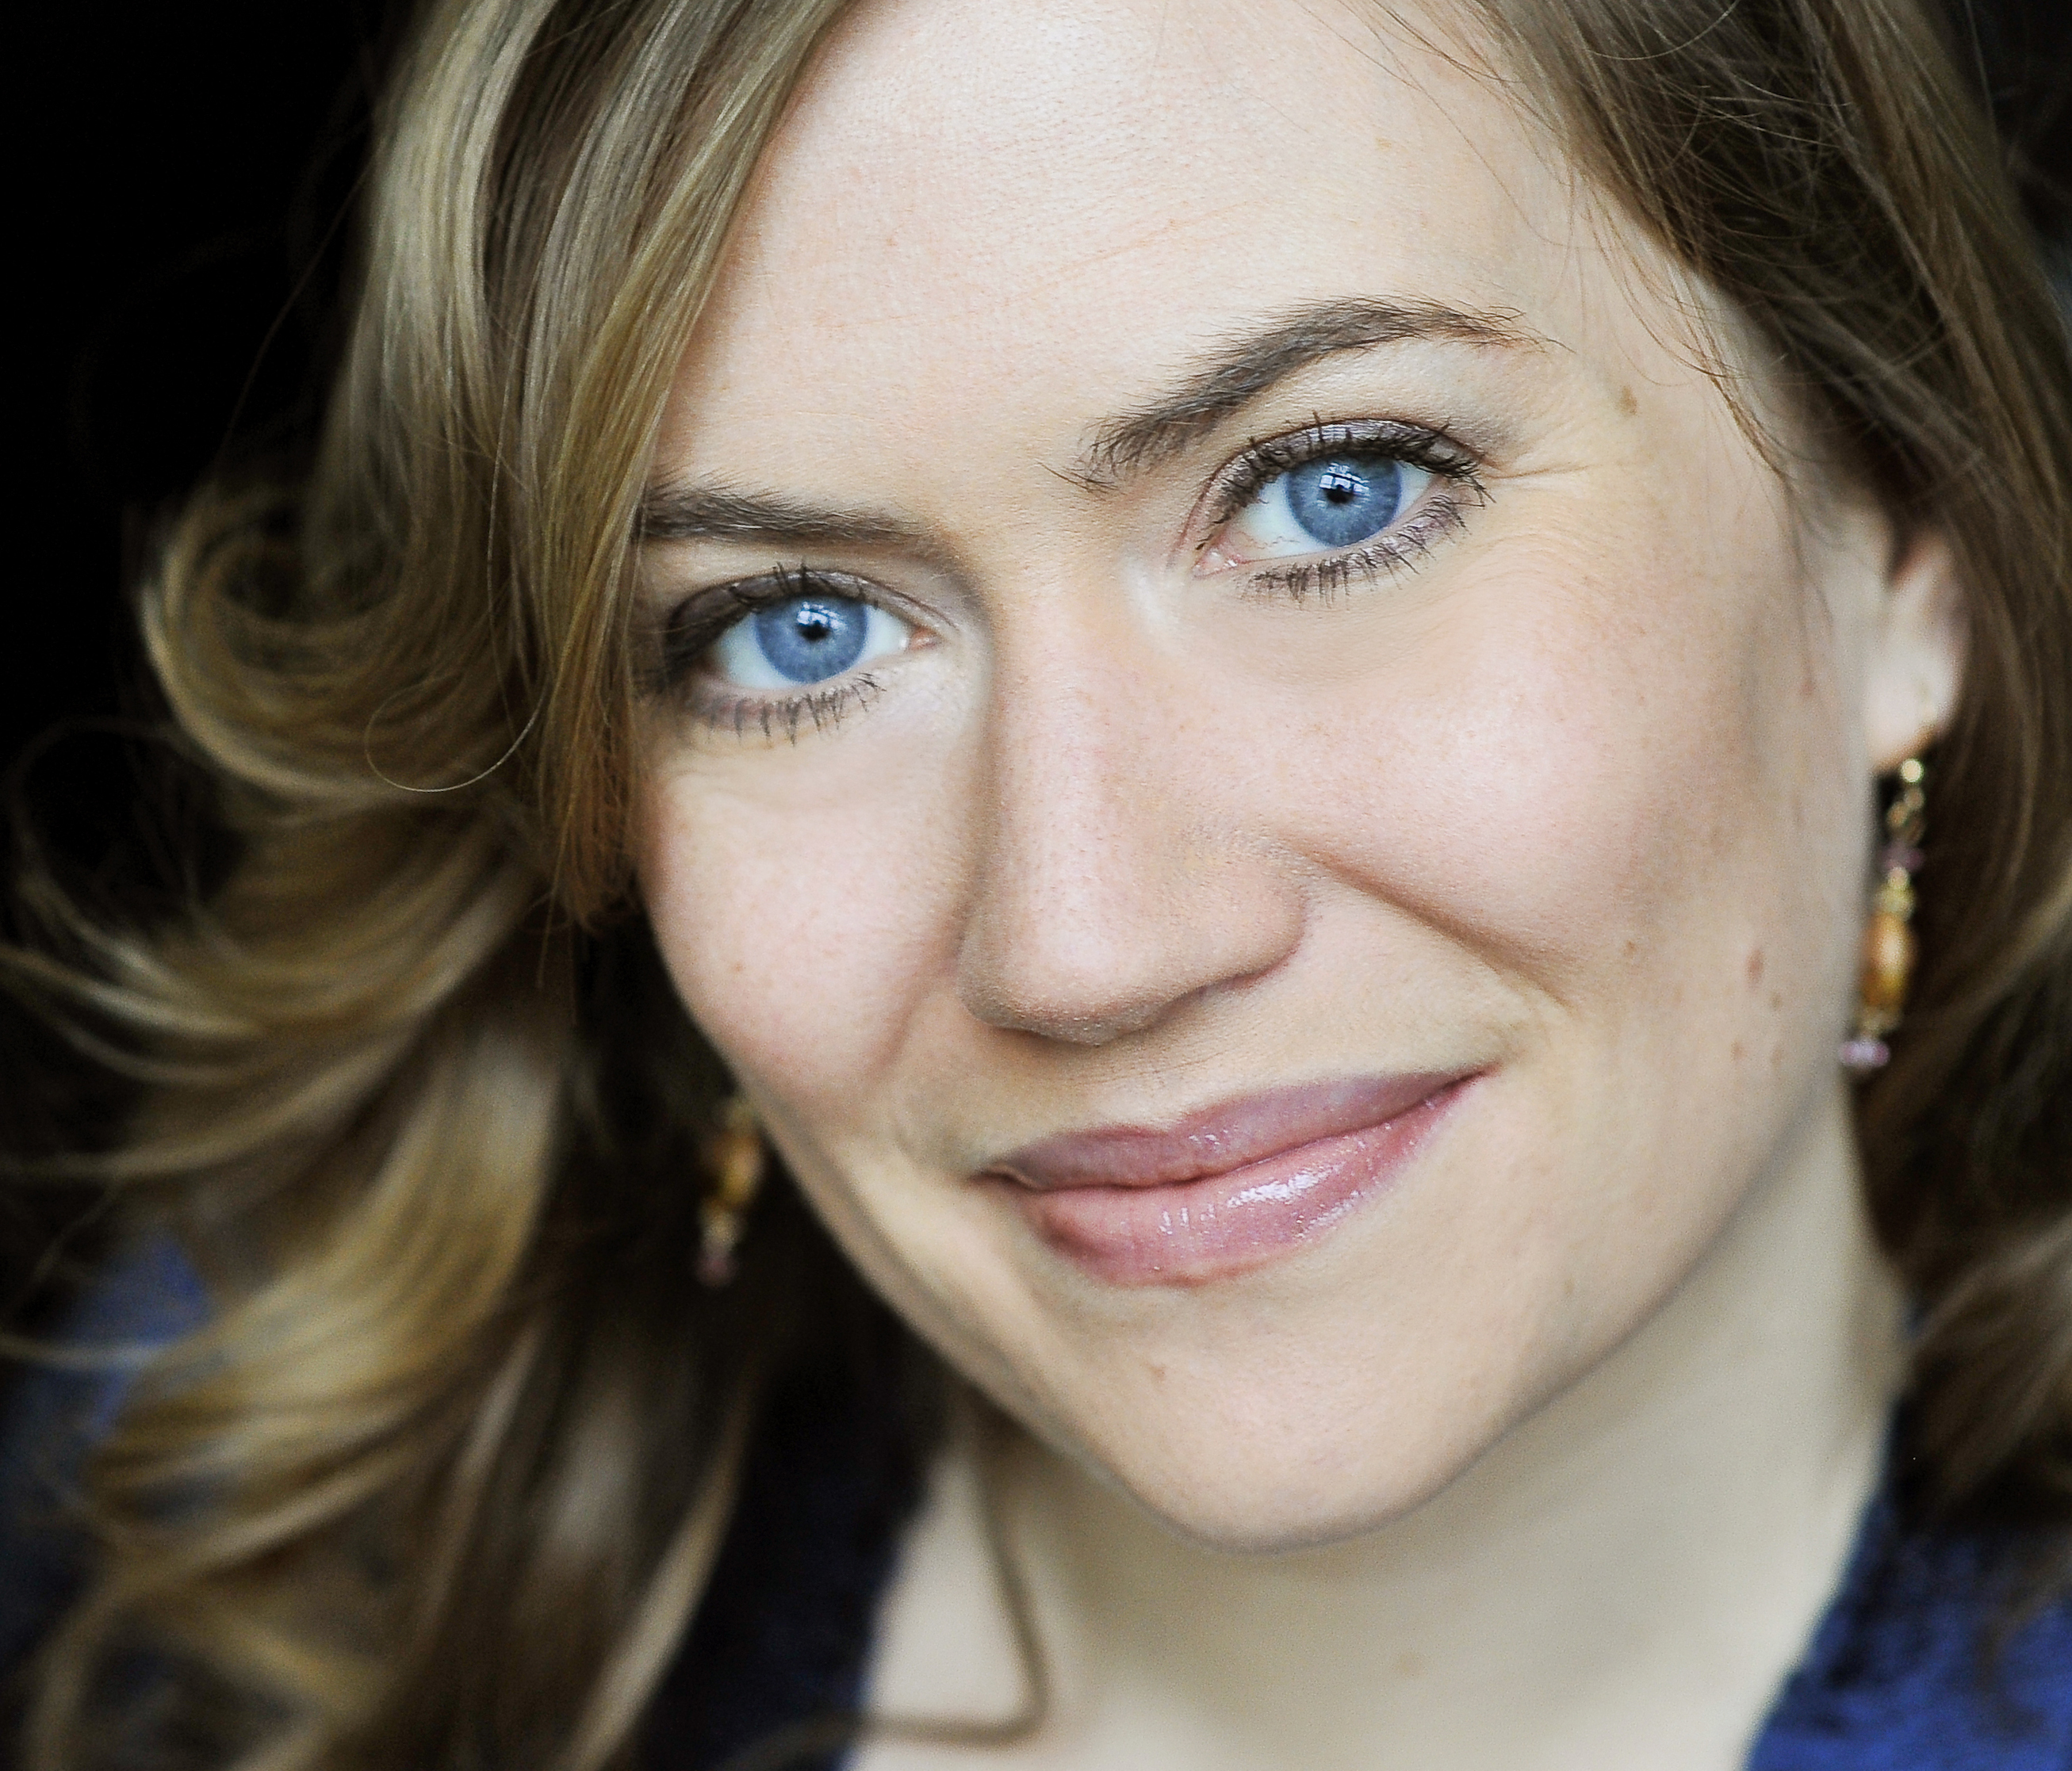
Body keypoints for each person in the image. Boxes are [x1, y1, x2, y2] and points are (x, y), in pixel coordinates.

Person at [3, 0, 2069, 1766]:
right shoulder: (235, 1518)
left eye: (1333, 494)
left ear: (1902, 545)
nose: (1086, 946)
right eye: (793, 630)